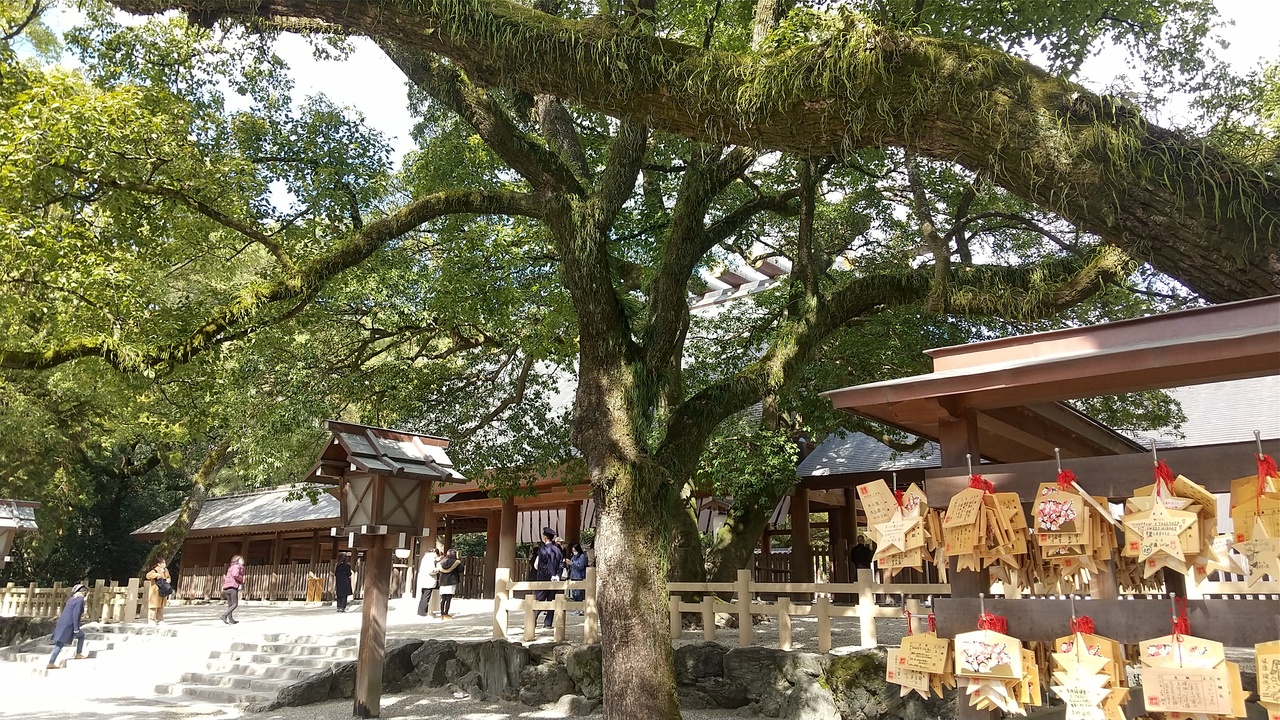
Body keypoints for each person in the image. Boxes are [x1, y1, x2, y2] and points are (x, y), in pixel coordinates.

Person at [47, 583, 89, 669]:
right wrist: (76, 628)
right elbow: (76, 614)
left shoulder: (71, 599)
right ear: (84, 592)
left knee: (59, 644)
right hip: (69, 624)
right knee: (62, 643)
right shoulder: (79, 600)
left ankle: (51, 662)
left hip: (63, 623)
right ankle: (78, 654)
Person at [533, 527, 563, 629]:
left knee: (539, 600)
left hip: (543, 578)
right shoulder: (558, 550)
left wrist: (549, 575)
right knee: (552, 600)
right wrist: (557, 575)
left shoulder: (542, 550)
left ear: (545, 537)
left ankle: (532, 620)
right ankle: (548, 623)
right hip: (555, 579)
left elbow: (541, 565)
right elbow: (561, 565)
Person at [435, 548, 461, 619]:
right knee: (449, 598)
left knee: (443, 598)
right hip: (452, 581)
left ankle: (442, 613)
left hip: (443, 581)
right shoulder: (456, 562)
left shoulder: (442, 562)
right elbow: (461, 570)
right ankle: (446, 613)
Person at [219, 555, 245, 624]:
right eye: (241, 559)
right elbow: (235, 575)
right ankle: (224, 615)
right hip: (233, 586)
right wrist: (241, 579)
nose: (243, 561)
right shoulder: (236, 566)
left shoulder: (231, 567)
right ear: (238, 560)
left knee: (230, 605)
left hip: (227, 587)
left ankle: (231, 620)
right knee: (235, 604)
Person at [416, 547, 441, 617]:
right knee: (426, 597)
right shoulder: (431, 559)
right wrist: (437, 570)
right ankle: (424, 612)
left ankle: (420, 611)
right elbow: (431, 570)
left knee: (423, 596)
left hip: (423, 579)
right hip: (429, 580)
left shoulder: (425, 557)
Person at [145, 558, 171, 624]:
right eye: (162, 563)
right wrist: (156, 575)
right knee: (153, 605)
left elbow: (168, 577)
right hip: (155, 589)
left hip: (163, 589)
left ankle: (160, 619)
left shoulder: (166, 570)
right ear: (158, 564)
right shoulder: (155, 570)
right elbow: (148, 576)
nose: (164, 564)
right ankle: (151, 620)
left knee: (161, 605)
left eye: (164, 563)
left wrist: (168, 579)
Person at [565, 542, 588, 615]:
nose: (574, 552)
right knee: (574, 594)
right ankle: (577, 609)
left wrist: (572, 563)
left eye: (574, 550)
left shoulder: (582, 556)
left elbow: (580, 566)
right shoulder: (573, 556)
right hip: (573, 576)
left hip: (579, 576)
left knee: (579, 594)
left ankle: (581, 609)